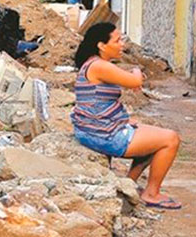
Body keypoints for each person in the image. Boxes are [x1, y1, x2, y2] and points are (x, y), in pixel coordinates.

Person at [73, 23, 181, 209]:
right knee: (171, 139)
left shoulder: (95, 64)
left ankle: (128, 184)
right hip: (102, 135)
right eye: (117, 40)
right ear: (101, 45)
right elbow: (134, 81)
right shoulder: (99, 66)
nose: (122, 44)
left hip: (94, 129)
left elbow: (101, 101)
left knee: (150, 132)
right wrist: (136, 71)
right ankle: (151, 194)